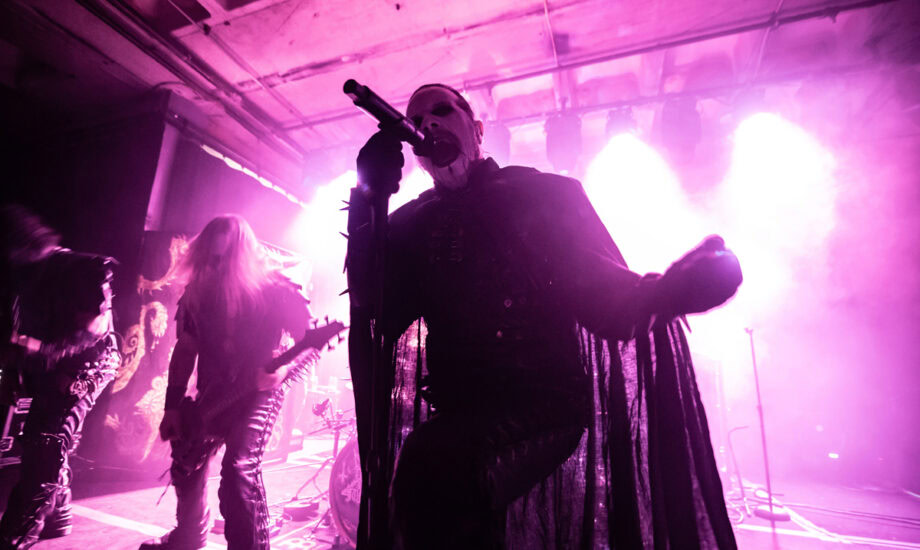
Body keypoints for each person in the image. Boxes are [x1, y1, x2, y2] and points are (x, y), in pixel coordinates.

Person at [346, 84, 743, 549]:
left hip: (542, 403)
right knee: (442, 491)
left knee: (434, 464)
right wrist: (367, 198)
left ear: (477, 130)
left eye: (442, 111)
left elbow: (603, 297)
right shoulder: (412, 224)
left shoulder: (541, 195)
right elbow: (372, 307)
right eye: (416, 121)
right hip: (461, 410)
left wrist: (672, 290)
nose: (428, 123)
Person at [139, 215, 312, 550]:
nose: (215, 266)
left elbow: (312, 340)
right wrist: (172, 408)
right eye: (210, 259)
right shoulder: (198, 292)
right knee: (186, 457)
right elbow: (185, 350)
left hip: (259, 393)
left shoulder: (276, 288)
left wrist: (282, 371)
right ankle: (189, 534)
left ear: (241, 256)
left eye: (223, 259)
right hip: (215, 391)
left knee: (237, 471)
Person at [0, 205, 121, 549]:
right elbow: (14, 330)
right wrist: (13, 370)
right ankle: (59, 513)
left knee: (47, 439)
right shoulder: (19, 276)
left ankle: (15, 535)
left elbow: (92, 329)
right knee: (45, 437)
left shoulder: (84, 268)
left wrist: (40, 350)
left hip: (85, 366)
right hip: (47, 365)